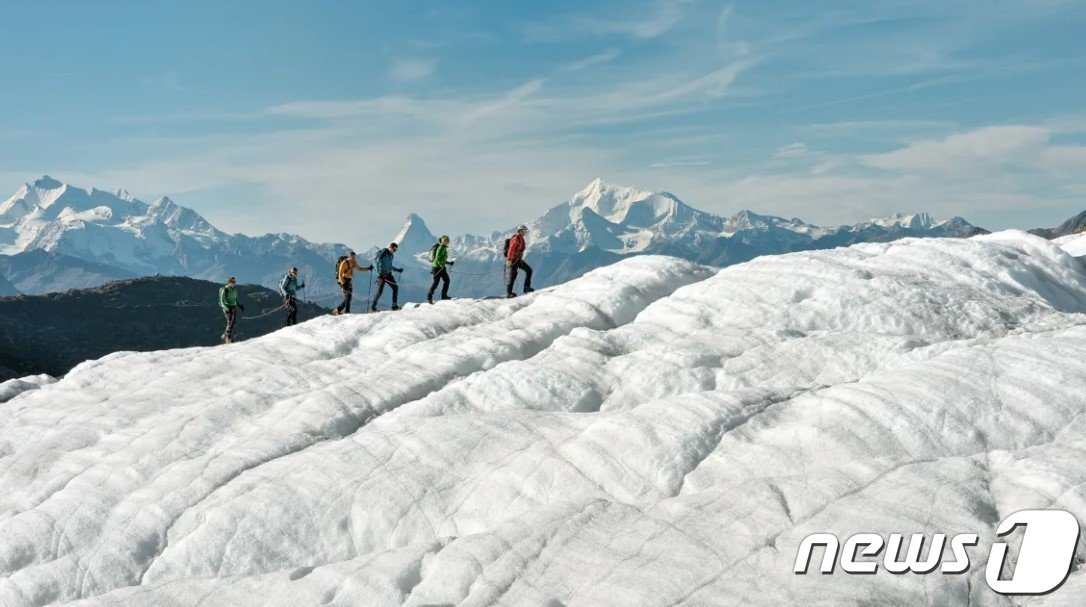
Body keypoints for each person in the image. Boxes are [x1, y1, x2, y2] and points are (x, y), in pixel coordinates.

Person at [334, 251, 372, 316]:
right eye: (352, 257)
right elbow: (340, 275)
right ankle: (345, 312)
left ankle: (339, 310)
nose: (354, 259)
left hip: (349, 281)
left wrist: (368, 268)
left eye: (354, 257)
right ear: (349, 256)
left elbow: (359, 269)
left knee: (349, 297)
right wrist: (343, 284)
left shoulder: (354, 262)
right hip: (342, 280)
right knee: (348, 297)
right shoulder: (344, 263)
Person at [371, 242, 404, 311]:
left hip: (389, 275)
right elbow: (377, 262)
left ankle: (394, 306)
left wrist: (397, 270)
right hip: (382, 276)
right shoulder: (384, 253)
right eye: (394, 249)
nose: (394, 251)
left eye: (396, 250)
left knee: (395, 287)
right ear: (390, 247)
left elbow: (389, 266)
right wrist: (380, 274)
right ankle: (373, 308)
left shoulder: (391, 255)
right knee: (380, 292)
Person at [505, 224, 534, 298]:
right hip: (513, 260)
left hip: (518, 260)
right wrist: (509, 259)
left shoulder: (521, 238)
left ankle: (526, 288)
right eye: (524, 230)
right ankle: (509, 293)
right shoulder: (516, 238)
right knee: (513, 276)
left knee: (529, 270)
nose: (525, 232)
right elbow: (511, 249)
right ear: (520, 231)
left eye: (525, 231)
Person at [427, 235, 455, 304]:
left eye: (447, 241)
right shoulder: (440, 248)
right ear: (443, 241)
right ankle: (429, 298)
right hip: (436, 268)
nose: (447, 242)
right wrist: (441, 266)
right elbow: (437, 259)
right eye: (445, 241)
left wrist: (449, 263)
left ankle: (443, 296)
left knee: (447, 280)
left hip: (441, 267)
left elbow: (442, 259)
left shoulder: (444, 248)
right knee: (436, 283)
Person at [218, 276, 244, 343]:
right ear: (228, 282)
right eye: (232, 282)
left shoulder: (234, 289)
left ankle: (225, 335)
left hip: (233, 307)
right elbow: (222, 301)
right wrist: (227, 308)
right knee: (230, 321)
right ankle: (228, 338)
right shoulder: (225, 289)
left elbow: (235, 298)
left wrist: (239, 305)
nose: (234, 283)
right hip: (226, 307)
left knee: (233, 322)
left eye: (234, 282)